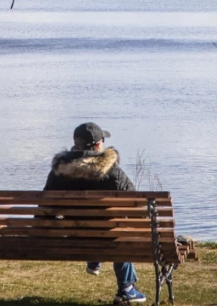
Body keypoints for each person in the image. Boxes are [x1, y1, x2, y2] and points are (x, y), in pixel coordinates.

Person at [43, 122, 146, 304]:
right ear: (98, 144)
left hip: (74, 237)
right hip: (107, 237)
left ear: (76, 144)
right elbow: (136, 204)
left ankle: (94, 257)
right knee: (120, 228)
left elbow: (44, 208)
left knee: (99, 225)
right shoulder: (112, 172)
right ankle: (126, 288)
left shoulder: (59, 171)